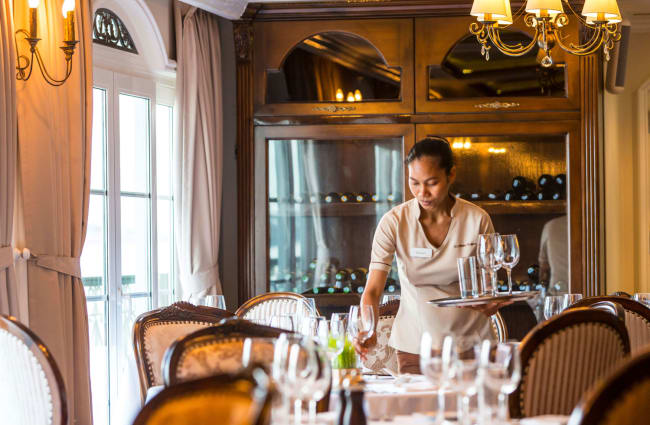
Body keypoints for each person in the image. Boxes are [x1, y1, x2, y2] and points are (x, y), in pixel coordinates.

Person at [353, 137, 500, 374]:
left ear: (450, 175)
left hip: (473, 344)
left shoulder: (477, 219)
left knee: (475, 410)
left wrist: (489, 303)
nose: (423, 193)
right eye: (415, 183)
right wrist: (369, 329)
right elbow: (372, 290)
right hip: (414, 346)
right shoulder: (394, 222)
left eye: (432, 183)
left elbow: (489, 286)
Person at [538, 215, 568, 293]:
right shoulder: (595, 224)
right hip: (593, 299)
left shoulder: (551, 226)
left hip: (558, 295)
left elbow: (543, 266)